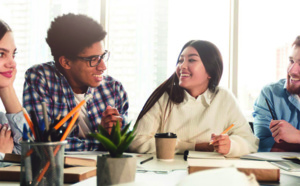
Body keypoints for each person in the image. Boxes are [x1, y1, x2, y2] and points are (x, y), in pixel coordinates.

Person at [129, 40, 258, 157]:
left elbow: (250, 142)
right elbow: (136, 141)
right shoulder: (164, 97)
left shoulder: (223, 97)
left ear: (210, 71)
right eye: (180, 61)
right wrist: (192, 147)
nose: (182, 66)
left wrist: (231, 146)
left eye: (191, 60)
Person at [23, 13, 129, 151]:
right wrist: (101, 141)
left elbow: (123, 144)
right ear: (66, 62)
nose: (103, 66)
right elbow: (44, 143)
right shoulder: (41, 78)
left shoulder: (114, 89)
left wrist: (112, 136)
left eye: (103, 56)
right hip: (57, 170)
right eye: (94, 59)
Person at [253, 36, 300, 152]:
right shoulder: (270, 94)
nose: (292, 71)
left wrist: (297, 136)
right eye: (291, 61)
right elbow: (262, 145)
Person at [0, 20, 26, 158]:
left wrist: (7, 89)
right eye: (1, 54)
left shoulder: (1, 119)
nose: (12, 63)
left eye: (13, 54)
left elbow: (33, 156)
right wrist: (1, 155)